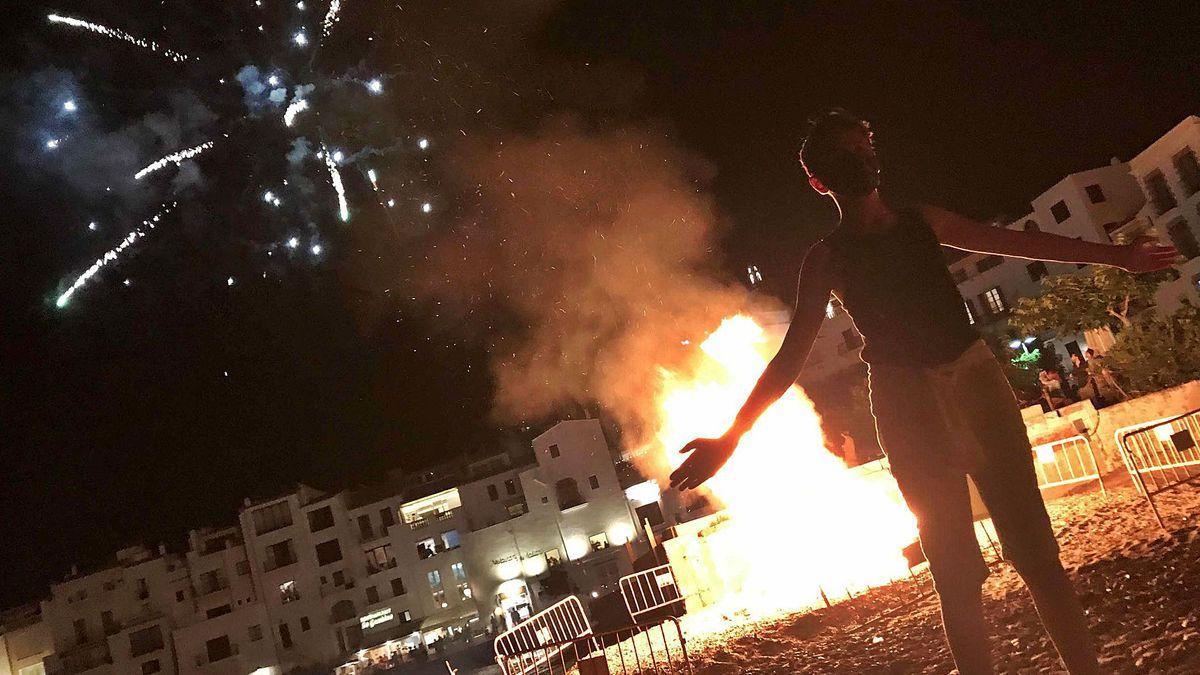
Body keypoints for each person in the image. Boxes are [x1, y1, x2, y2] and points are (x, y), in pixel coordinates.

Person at [668, 109, 1177, 674]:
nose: (860, 161)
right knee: (955, 572)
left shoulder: (922, 221)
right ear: (820, 181)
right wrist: (731, 438)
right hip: (905, 403)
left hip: (975, 381)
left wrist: (1122, 257)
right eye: (846, 157)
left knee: (1037, 555)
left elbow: (1011, 243)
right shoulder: (827, 258)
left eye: (862, 149)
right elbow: (792, 353)